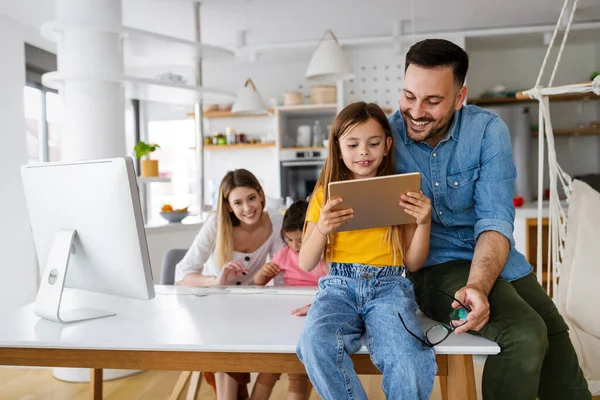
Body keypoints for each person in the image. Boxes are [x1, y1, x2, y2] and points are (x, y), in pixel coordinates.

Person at [391, 38, 591, 400]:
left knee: (556, 340)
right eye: (408, 96)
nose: (416, 111)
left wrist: (480, 285)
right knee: (524, 334)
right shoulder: (382, 137)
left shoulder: (487, 131)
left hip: (498, 260)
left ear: (459, 97)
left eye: (432, 101)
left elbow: (495, 220)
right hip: (434, 266)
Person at [296, 101, 437, 400]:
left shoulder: (401, 191)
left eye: (373, 143)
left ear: (386, 145)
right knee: (314, 343)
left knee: (407, 355)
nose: (363, 152)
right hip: (338, 287)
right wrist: (322, 228)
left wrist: (423, 221)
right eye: (353, 144)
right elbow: (306, 262)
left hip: (390, 286)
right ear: (338, 148)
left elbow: (413, 262)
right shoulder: (324, 194)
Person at [175, 168, 285, 400]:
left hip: (248, 304)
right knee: (227, 338)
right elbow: (183, 273)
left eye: (252, 198)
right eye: (238, 202)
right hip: (213, 304)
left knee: (275, 341)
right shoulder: (216, 224)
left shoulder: (276, 221)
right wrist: (216, 281)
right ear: (228, 206)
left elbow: (281, 272)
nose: (247, 208)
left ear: (261, 195)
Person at [252, 199, 328, 400]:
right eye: (290, 240)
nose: (294, 246)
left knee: (297, 370)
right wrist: (262, 274)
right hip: (286, 313)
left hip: (311, 314)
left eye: (300, 240)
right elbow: (258, 283)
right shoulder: (284, 254)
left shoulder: (325, 256)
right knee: (269, 366)